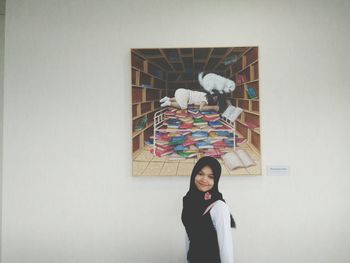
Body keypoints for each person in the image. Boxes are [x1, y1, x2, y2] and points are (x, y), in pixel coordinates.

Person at [181, 156, 236, 263]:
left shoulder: (219, 206)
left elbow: (226, 245)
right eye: (200, 174)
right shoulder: (189, 201)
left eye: (211, 177)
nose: (204, 180)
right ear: (194, 174)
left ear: (216, 180)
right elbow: (189, 235)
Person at [160, 88, 231, 113]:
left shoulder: (204, 94)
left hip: (181, 91)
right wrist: (213, 107)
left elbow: (197, 105)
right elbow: (201, 108)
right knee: (183, 107)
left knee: (180, 99)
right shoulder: (206, 99)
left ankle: (168, 98)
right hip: (185, 95)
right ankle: (169, 103)